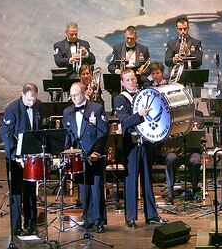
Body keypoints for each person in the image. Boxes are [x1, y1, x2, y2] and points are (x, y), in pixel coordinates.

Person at [114, 68, 167, 228]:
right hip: (131, 143)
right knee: (131, 181)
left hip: (146, 142)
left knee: (147, 180)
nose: (132, 82)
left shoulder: (144, 94)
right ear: (123, 83)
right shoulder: (120, 99)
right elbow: (125, 122)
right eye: (128, 80)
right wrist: (139, 114)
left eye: (133, 78)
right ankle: (130, 217)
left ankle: (152, 215)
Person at [63, 81, 109, 232]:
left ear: (83, 94)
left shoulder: (96, 108)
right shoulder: (68, 112)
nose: (73, 98)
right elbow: (67, 135)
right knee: (84, 189)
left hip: (94, 155)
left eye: (76, 95)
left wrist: (96, 151)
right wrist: (66, 152)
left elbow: (102, 133)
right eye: (71, 95)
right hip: (78, 157)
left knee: (96, 189)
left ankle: (98, 221)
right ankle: (88, 219)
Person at [1, 83, 44, 236]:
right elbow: (6, 136)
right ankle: (16, 226)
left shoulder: (38, 106)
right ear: (22, 94)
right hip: (15, 158)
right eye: (28, 100)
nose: (31, 103)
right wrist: (15, 156)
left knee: (31, 191)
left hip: (31, 157)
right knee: (16, 192)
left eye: (34, 100)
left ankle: (31, 223)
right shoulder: (12, 109)